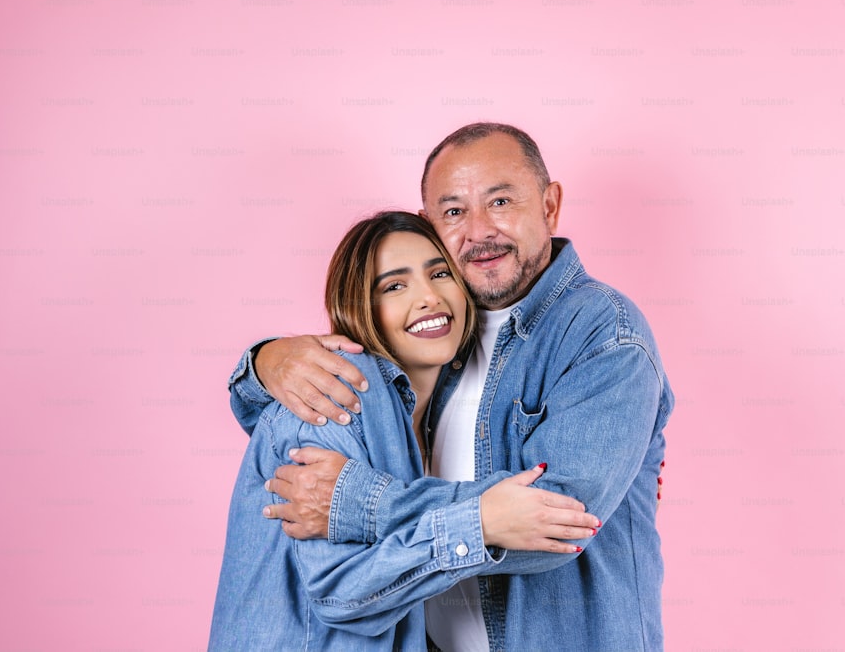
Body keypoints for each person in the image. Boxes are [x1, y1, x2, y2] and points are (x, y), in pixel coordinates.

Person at [230, 123, 674, 650]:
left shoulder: (603, 332)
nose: (479, 230)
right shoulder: (434, 344)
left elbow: (555, 520)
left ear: (550, 206)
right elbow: (281, 428)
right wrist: (263, 363)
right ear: (430, 225)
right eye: (455, 211)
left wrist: (359, 501)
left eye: (501, 201)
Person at [209, 211, 599, 651]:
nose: (428, 297)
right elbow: (339, 592)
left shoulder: (447, 414)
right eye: (395, 286)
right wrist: (482, 523)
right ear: (359, 307)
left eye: (439, 274)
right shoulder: (334, 389)